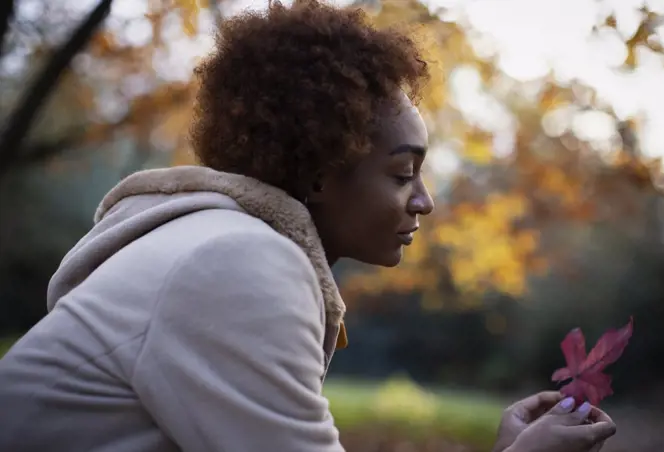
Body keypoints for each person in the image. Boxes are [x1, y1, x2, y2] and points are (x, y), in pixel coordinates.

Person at [0, 1, 617, 451]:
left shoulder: (215, 242)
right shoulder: (240, 262)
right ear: (320, 172)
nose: (424, 202)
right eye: (402, 174)